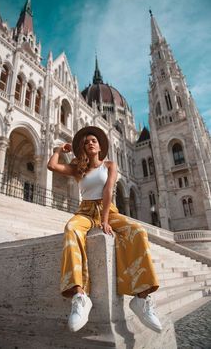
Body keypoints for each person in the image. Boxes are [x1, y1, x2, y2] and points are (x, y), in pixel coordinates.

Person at [47, 126, 162, 334]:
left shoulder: (110, 165)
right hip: (85, 211)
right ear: (82, 147)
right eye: (86, 141)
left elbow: (109, 190)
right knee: (71, 228)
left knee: (138, 231)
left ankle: (142, 299)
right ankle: (80, 296)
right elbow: (52, 166)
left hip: (109, 210)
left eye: (93, 140)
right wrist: (58, 150)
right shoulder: (78, 168)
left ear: (100, 146)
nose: (90, 143)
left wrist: (106, 220)